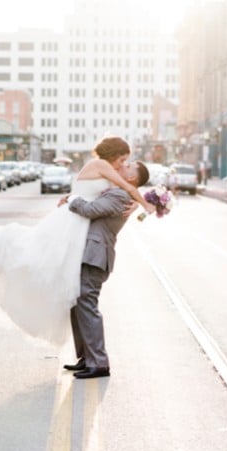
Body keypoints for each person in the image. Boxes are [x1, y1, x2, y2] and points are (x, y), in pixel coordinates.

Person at [0, 137, 153, 345]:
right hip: (73, 218)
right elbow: (128, 187)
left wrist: (137, 203)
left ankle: (88, 357)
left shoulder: (106, 170)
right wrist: (145, 205)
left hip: (78, 219)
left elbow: (124, 190)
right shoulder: (101, 165)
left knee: (64, 277)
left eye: (126, 163)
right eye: (122, 159)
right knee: (42, 259)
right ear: (114, 154)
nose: (122, 164)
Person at [64, 159, 150, 379]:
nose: (122, 166)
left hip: (95, 256)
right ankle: (87, 357)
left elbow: (90, 209)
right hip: (90, 254)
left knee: (87, 305)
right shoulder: (120, 193)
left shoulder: (120, 196)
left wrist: (72, 199)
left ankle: (99, 362)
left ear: (131, 178)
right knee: (78, 304)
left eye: (128, 166)